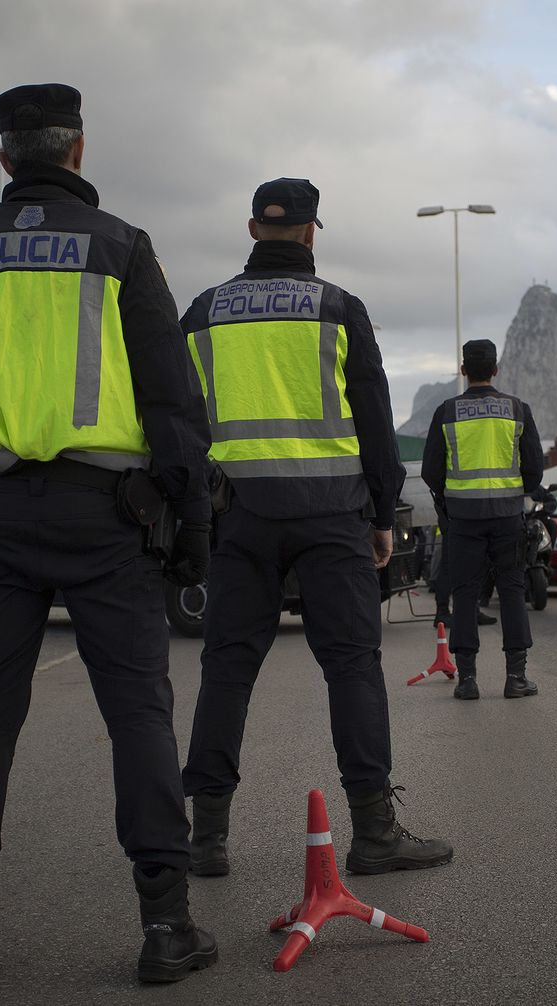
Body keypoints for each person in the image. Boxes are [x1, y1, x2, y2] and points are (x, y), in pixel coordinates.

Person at [0, 83, 217, 988]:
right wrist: (191, 526)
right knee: (139, 715)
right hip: (110, 519)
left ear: (5, 158)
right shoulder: (121, 247)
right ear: (78, 151)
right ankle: (165, 926)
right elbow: (172, 405)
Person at [178, 177, 454, 878]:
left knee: (227, 670)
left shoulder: (204, 312)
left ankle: (205, 839)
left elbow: (175, 421)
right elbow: (375, 421)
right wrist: (383, 514)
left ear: (252, 229)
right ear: (310, 232)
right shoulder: (339, 308)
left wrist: (193, 512)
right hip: (332, 516)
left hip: (237, 516)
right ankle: (374, 832)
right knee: (352, 666)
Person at [421, 340, 546, 700]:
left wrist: (452, 498)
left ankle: (467, 681)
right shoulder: (518, 410)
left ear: (463, 371)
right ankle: (516, 677)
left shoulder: (446, 412)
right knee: (512, 591)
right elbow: (534, 471)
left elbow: (431, 471)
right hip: (507, 518)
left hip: (463, 519)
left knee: (464, 594)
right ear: (495, 369)